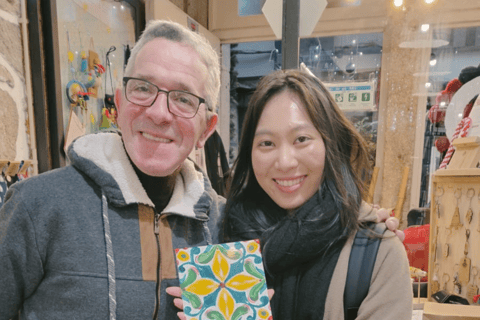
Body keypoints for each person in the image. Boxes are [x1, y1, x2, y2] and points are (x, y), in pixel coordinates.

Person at [0, 20, 224, 319]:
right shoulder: (37, 206)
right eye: (143, 88)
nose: (158, 113)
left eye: (183, 99)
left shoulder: (225, 224)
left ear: (207, 129)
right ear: (119, 104)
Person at [223, 69, 413, 319]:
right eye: (266, 143)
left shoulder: (376, 253)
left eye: (301, 139)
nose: (285, 162)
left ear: (330, 142)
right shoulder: (227, 242)